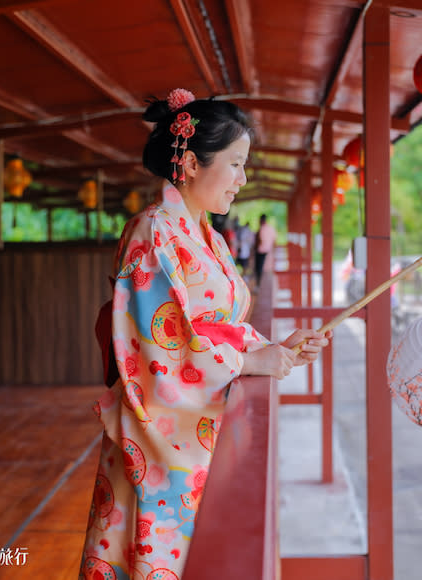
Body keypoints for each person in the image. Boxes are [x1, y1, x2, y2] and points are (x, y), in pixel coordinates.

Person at [80, 88, 330, 580]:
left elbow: (224, 324)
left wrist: (270, 349)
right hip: (167, 439)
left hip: (200, 424)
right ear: (191, 163)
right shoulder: (153, 233)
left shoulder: (206, 235)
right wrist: (248, 363)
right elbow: (158, 349)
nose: (242, 180)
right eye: (235, 165)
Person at [254, 213, 276, 287]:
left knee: (259, 268)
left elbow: (259, 240)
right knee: (266, 269)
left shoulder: (261, 228)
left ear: (261, 220)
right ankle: (262, 284)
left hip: (260, 250)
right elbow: (274, 241)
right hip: (268, 251)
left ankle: (258, 284)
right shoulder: (271, 228)